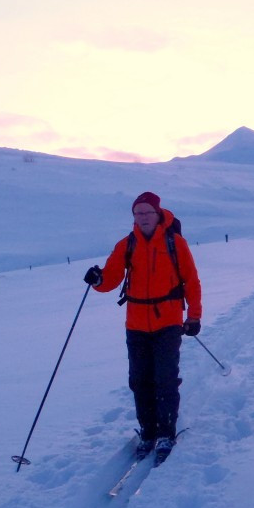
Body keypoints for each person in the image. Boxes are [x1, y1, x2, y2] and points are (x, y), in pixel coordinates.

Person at [84, 192, 202, 464]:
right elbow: (111, 279)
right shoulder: (126, 244)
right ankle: (148, 432)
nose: (143, 217)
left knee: (165, 379)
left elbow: (191, 281)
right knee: (139, 381)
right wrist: (97, 279)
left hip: (168, 322)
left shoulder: (176, 243)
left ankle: (166, 433)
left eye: (148, 212)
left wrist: (193, 317)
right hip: (136, 323)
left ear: (158, 213)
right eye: (138, 213)